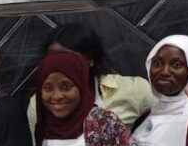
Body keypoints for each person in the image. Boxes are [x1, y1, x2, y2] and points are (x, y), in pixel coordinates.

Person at [27, 23, 156, 135]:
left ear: (89, 58)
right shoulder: (39, 103)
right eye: (53, 60)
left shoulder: (135, 90)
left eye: (70, 60)